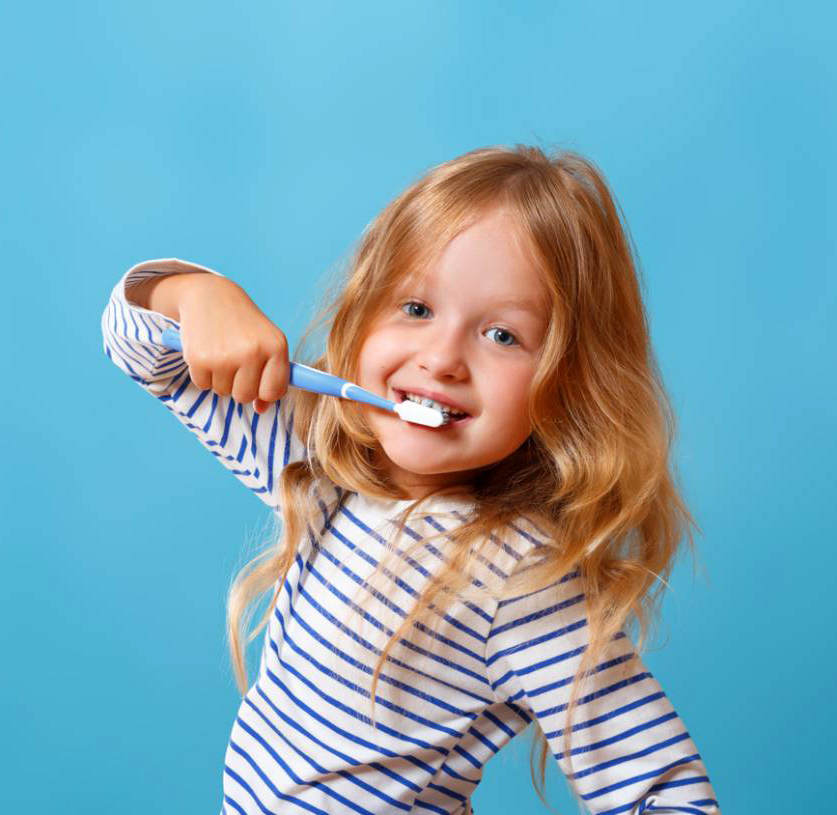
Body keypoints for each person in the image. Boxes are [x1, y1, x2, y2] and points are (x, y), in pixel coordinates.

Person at [101, 145, 721, 815]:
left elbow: (664, 793)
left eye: (502, 335)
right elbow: (142, 350)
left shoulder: (520, 582)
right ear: (363, 313)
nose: (442, 358)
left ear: (565, 386)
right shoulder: (319, 466)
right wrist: (198, 295)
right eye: (417, 309)